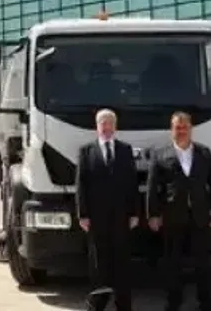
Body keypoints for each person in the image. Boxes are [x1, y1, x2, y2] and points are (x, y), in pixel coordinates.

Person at [146, 111, 211, 311]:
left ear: (191, 129)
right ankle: (174, 302)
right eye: (177, 127)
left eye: (184, 127)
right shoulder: (160, 154)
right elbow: (152, 188)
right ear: (171, 130)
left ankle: (206, 302)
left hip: (200, 215)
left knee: (203, 262)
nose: (181, 131)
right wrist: (153, 215)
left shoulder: (204, 153)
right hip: (172, 216)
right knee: (173, 262)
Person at [76, 108, 139, 311]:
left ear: (115, 126)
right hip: (96, 218)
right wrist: (83, 214)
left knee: (122, 263)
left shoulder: (125, 150)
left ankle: (124, 305)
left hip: (121, 216)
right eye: (103, 123)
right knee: (99, 264)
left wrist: (134, 213)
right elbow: (81, 185)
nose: (106, 127)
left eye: (110, 123)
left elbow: (132, 183)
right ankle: (97, 305)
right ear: (97, 127)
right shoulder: (86, 151)